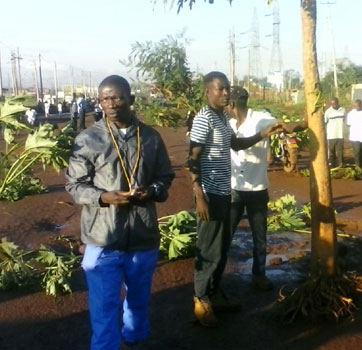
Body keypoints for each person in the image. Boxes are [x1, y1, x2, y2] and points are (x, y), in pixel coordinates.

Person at [66, 75, 174, 350]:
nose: (110, 104)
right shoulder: (88, 139)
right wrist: (103, 197)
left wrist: (153, 191)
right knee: (103, 309)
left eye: (117, 97)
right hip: (103, 238)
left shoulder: (150, 137)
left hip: (142, 235)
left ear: (131, 99)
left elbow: (165, 176)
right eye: (105, 98)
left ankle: (135, 341)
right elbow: (74, 186)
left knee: (138, 305)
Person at [187, 71, 282, 327]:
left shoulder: (222, 120)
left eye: (227, 88)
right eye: (220, 89)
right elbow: (192, 158)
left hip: (223, 192)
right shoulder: (204, 118)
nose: (225, 93)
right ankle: (201, 301)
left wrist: (263, 135)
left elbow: (237, 145)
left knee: (219, 249)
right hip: (208, 193)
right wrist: (199, 194)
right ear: (208, 91)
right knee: (207, 249)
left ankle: (215, 295)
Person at [226, 86, 307, 291]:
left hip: (257, 188)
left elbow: (287, 127)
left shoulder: (261, 119)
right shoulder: (229, 124)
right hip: (234, 187)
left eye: (227, 103)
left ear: (232, 104)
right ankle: (219, 275)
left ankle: (259, 275)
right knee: (226, 234)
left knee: (259, 235)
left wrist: (307, 122)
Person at [346, 99, 362, 168]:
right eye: (355, 106)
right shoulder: (351, 114)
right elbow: (348, 124)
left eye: (358, 106)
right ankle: (358, 167)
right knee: (357, 152)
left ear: (361, 105)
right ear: (354, 106)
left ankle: (360, 162)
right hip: (354, 137)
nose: (357, 107)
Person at [324, 97, 346, 167]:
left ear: (338, 103)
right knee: (331, 151)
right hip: (331, 135)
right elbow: (325, 122)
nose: (334, 105)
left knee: (340, 151)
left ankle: (341, 164)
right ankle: (332, 165)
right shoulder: (328, 112)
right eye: (332, 104)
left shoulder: (343, 110)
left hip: (340, 134)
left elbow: (344, 120)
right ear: (331, 104)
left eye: (335, 104)